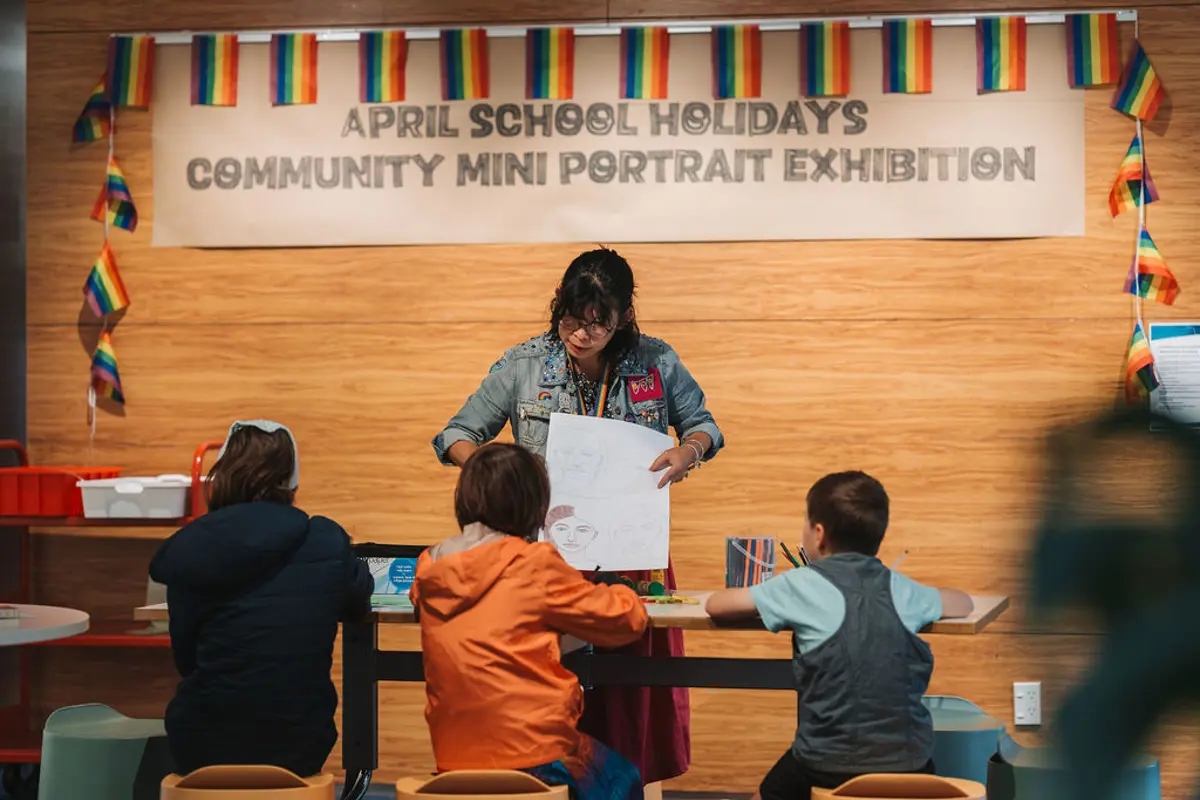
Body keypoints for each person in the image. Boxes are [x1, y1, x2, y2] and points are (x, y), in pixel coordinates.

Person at [432, 247, 724, 783]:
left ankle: (616, 782)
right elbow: (454, 435)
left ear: (624, 318)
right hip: (546, 558)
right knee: (550, 690)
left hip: (632, 553)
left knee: (629, 699)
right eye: (570, 318)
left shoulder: (657, 361)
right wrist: (493, 475)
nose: (580, 334)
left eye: (597, 324)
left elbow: (705, 425)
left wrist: (688, 453)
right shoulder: (523, 364)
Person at [705, 471, 974, 800]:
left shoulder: (802, 585)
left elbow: (717, 605)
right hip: (911, 764)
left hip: (824, 764)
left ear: (819, 535)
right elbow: (963, 602)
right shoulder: (902, 589)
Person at [411, 443, 649, 800]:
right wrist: (619, 590)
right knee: (624, 779)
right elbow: (624, 621)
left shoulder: (429, 565)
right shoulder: (533, 562)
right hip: (533, 753)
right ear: (532, 503)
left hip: (452, 755)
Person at [149, 420, 373, 777]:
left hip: (203, 745)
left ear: (221, 477)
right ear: (292, 481)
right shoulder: (324, 540)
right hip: (300, 745)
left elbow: (185, 659)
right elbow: (360, 594)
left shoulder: (194, 549)